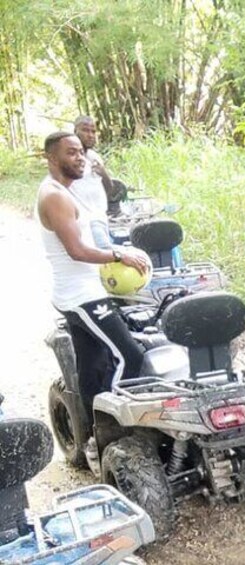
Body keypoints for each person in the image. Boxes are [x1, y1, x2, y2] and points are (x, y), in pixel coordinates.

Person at [36, 131, 149, 441]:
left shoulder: (64, 191)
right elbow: (77, 251)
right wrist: (118, 254)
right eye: (71, 153)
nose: (80, 157)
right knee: (130, 356)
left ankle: (94, 432)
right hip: (81, 296)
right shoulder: (55, 196)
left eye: (81, 152)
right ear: (51, 158)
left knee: (94, 362)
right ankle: (121, 433)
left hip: (81, 292)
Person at [70, 116, 116, 247]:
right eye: (85, 130)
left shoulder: (94, 157)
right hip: (86, 222)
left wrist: (104, 174)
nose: (90, 135)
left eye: (93, 131)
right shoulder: (70, 161)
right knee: (108, 257)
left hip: (101, 219)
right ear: (75, 132)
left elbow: (109, 188)